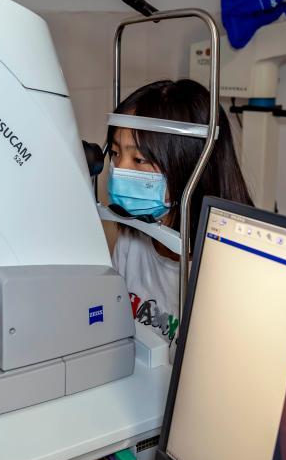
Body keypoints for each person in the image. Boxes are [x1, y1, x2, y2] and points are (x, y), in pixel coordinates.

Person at [107, 79, 253, 345]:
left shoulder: (232, 272)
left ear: (190, 164)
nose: (120, 170)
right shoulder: (133, 240)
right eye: (115, 153)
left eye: (139, 159)